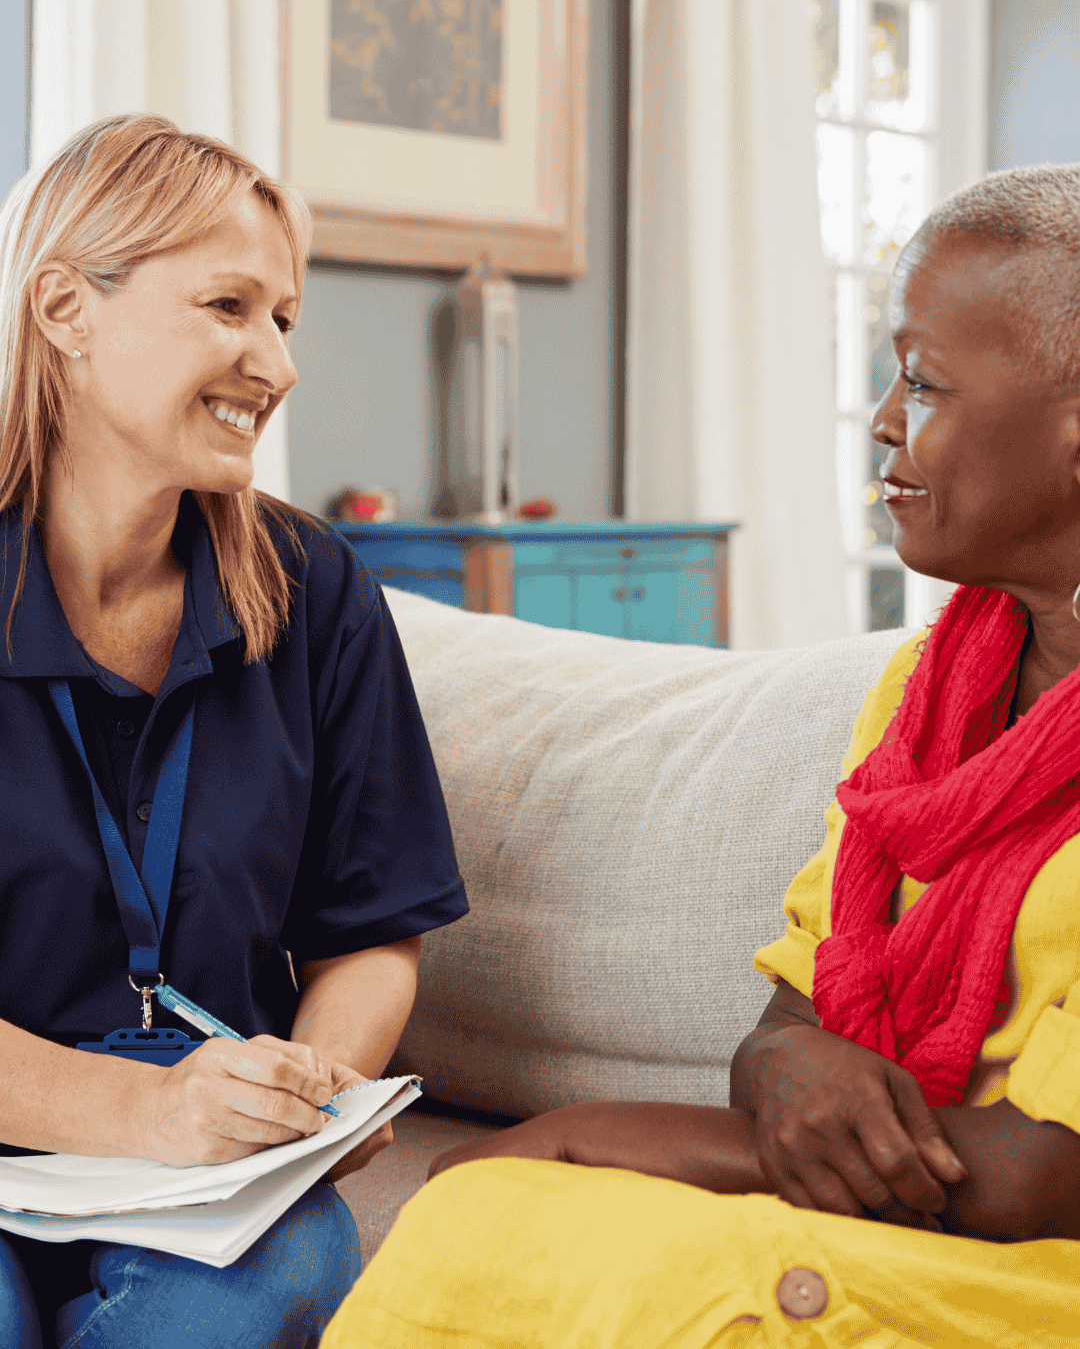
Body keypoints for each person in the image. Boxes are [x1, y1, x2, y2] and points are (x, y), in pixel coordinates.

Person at [320, 163, 1080, 1347]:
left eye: (922, 380)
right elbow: (789, 1017)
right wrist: (784, 1074)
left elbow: (1041, 1175)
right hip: (902, 1211)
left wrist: (599, 1131)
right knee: (490, 1211)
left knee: (628, 1255)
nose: (883, 418)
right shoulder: (926, 691)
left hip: (1030, 1264)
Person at [0, 114, 468, 1349]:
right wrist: (134, 1112)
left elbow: (374, 933)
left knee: (256, 1284)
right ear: (64, 308)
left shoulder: (316, 590)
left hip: (215, 1167)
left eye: (284, 319)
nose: (277, 360)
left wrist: (308, 1100)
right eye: (229, 306)